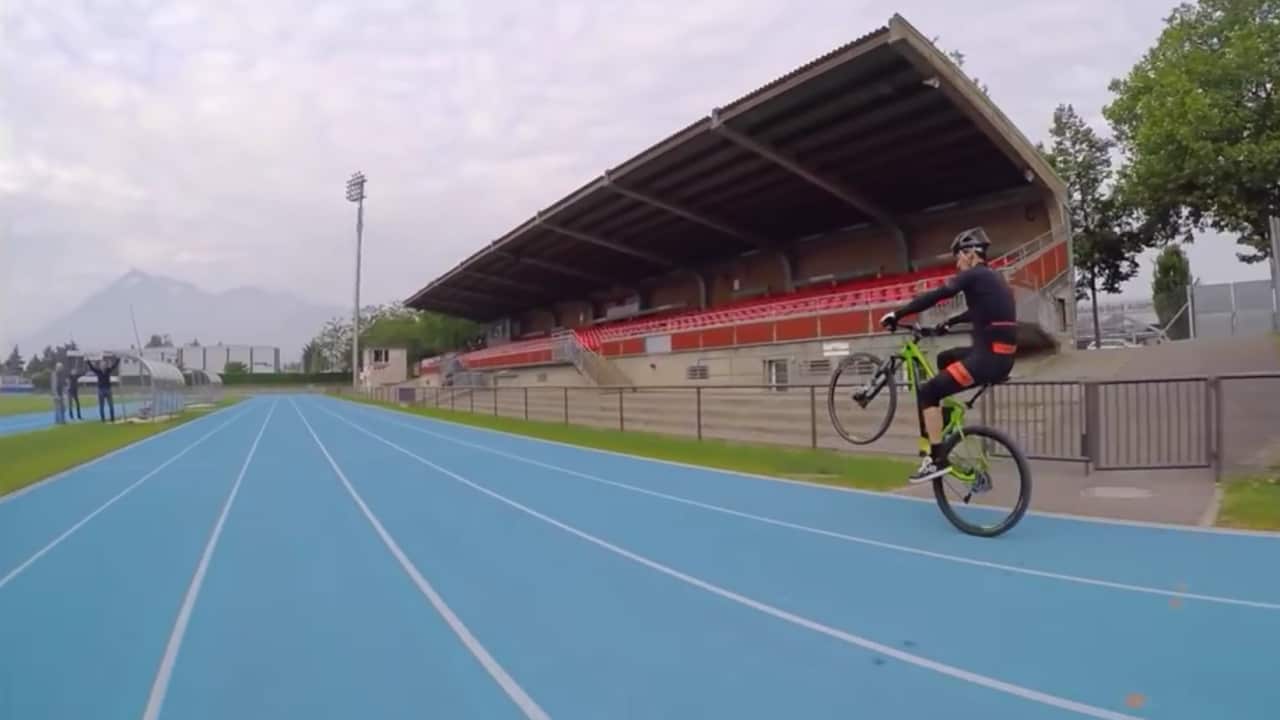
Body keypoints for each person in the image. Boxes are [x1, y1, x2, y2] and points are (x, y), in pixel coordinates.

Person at [879, 227, 1018, 483]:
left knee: (928, 392)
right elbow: (978, 313)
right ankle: (942, 420)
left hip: (986, 360)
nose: (957, 263)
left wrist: (898, 314)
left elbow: (938, 295)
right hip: (1002, 358)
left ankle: (936, 458)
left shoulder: (973, 275)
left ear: (970, 254)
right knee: (945, 358)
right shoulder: (994, 280)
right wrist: (948, 324)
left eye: (958, 257)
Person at [85, 353, 121, 423]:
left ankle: (112, 419)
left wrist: (118, 359)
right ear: (100, 366)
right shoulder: (98, 371)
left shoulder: (108, 370)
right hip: (101, 390)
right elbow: (92, 368)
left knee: (111, 405)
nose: (103, 366)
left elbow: (114, 366)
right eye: (102, 365)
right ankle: (103, 419)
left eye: (104, 365)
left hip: (108, 389)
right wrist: (88, 361)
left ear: (105, 365)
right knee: (101, 406)